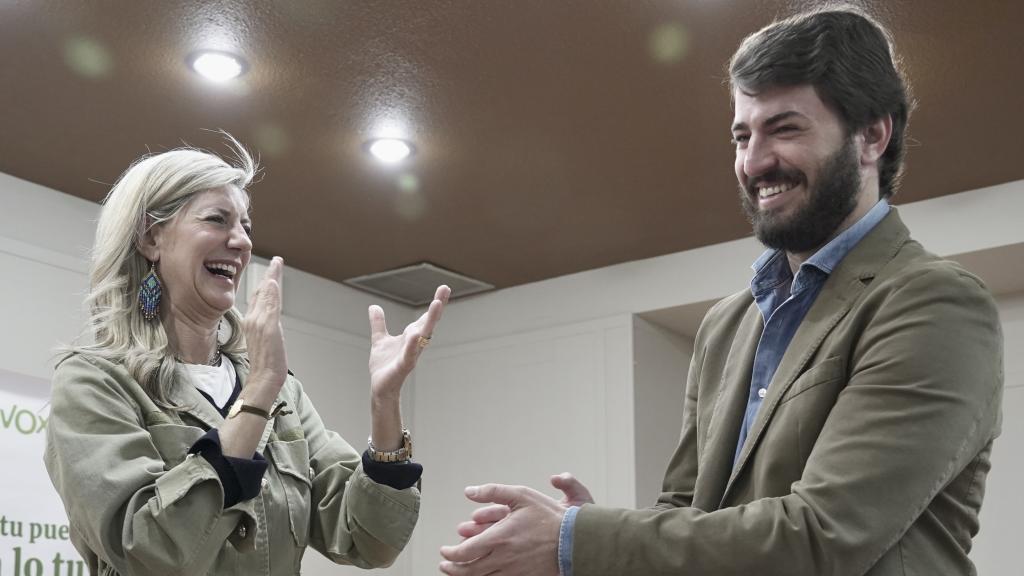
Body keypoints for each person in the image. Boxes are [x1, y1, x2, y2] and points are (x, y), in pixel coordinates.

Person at [439, 7, 1003, 576]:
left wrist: (579, 540)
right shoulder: (725, 326)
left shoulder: (933, 303)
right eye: (742, 135)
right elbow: (686, 512)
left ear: (871, 136)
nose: (753, 162)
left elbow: (824, 537)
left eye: (784, 129)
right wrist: (597, 542)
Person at [44, 136, 450, 575]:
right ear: (150, 238)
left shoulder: (281, 389)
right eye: (217, 220)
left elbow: (368, 540)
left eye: (246, 226)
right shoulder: (94, 381)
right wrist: (257, 395)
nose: (240, 242)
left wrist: (384, 404)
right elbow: (150, 551)